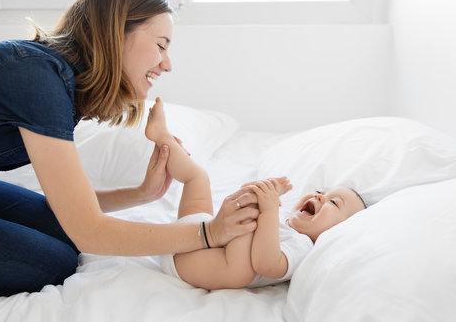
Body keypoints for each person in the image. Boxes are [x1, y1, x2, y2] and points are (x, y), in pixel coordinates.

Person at [0, 0, 259, 301]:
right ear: (116, 33)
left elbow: (72, 210)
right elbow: (90, 231)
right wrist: (207, 233)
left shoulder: (56, 79)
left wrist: (141, 194)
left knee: (60, 235)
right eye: (161, 45)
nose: (168, 64)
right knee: (53, 262)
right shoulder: (37, 82)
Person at [145, 97, 366, 289]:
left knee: (242, 270)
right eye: (320, 191)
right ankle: (163, 138)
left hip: (196, 261)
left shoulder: (302, 245)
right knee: (198, 179)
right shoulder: (283, 217)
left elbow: (267, 264)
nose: (319, 196)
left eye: (334, 203)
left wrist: (265, 209)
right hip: (195, 235)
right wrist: (255, 199)